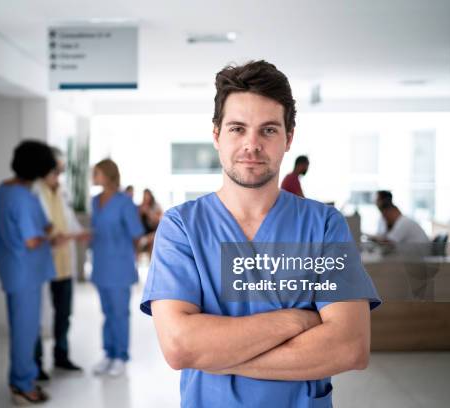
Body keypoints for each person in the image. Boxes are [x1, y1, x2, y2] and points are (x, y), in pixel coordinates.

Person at [140, 61, 381, 408]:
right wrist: (298, 319)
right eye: (238, 128)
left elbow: (349, 347)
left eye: (268, 130)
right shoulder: (181, 227)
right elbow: (180, 346)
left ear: (288, 138)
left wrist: (215, 355)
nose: (251, 145)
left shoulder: (324, 225)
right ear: (216, 135)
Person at [0, 140, 67, 405]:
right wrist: (52, 238)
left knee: (21, 328)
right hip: (26, 273)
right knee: (25, 331)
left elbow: (37, 227)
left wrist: (45, 231)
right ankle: (22, 385)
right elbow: (32, 239)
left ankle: (21, 379)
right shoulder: (23, 197)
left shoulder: (2, 191)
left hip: (14, 271)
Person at [33, 148, 91, 378]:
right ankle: (36, 364)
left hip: (64, 264)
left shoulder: (61, 192)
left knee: (63, 313)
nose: (59, 173)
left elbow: (69, 222)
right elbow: (40, 228)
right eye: (57, 169)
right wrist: (58, 237)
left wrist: (79, 233)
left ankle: (61, 355)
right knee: (37, 317)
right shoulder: (35, 194)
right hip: (42, 263)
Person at [90, 159, 145, 377]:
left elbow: (136, 234)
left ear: (109, 174)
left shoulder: (125, 202)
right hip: (101, 264)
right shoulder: (95, 201)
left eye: (97, 173)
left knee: (120, 313)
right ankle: (108, 354)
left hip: (120, 266)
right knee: (107, 313)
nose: (94, 177)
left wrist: (124, 252)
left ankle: (121, 356)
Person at [137, 188, 163, 256]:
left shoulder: (156, 206)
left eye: (147, 196)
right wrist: (140, 212)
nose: (146, 198)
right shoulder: (140, 206)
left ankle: (145, 240)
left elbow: (158, 220)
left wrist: (148, 212)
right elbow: (136, 223)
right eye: (144, 196)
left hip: (154, 232)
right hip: (143, 233)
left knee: (152, 243)